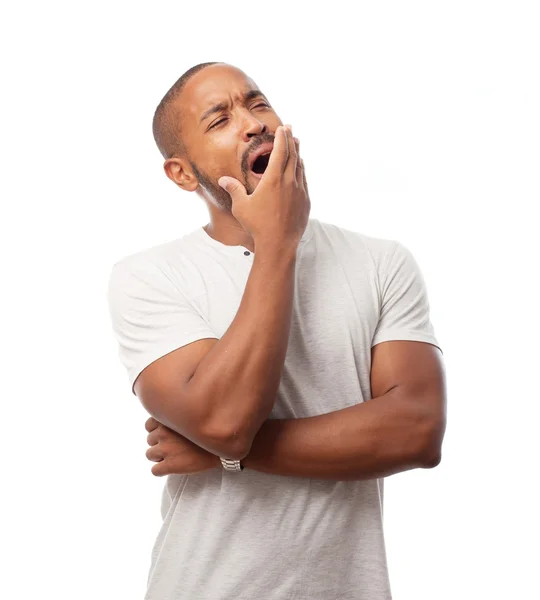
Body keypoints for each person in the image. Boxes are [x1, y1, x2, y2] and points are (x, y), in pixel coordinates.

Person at [106, 61, 447, 600]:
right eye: (219, 120)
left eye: (258, 103)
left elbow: (417, 431)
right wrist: (279, 243)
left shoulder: (382, 263)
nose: (253, 123)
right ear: (182, 173)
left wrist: (222, 455)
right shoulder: (149, 277)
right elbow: (224, 420)